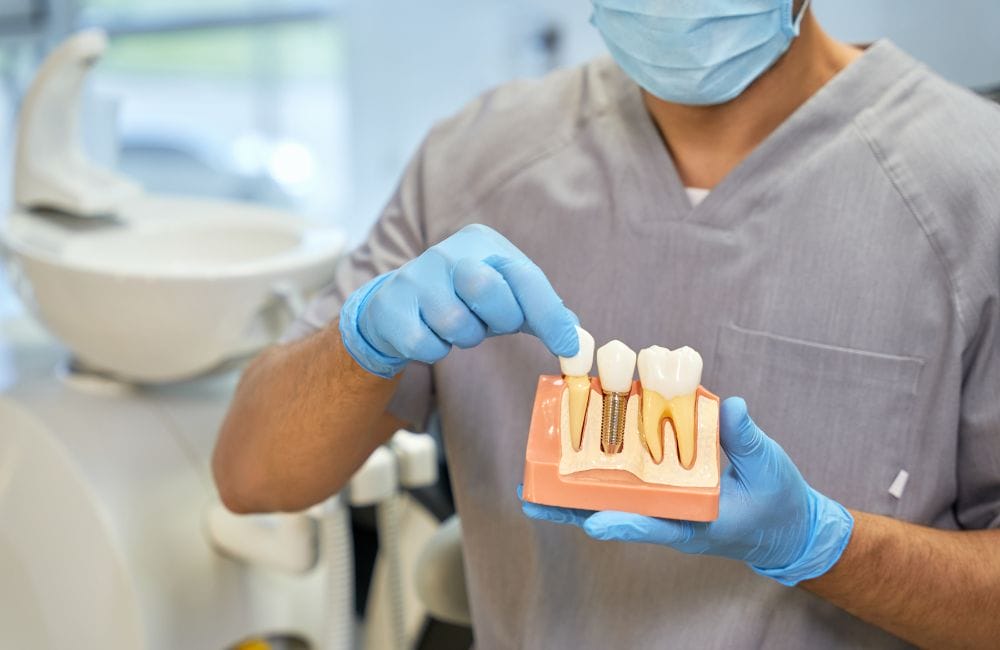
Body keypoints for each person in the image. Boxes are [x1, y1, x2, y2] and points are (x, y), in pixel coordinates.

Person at [213, 0, 1000, 647]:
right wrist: (363, 345)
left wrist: (821, 544)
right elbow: (252, 477)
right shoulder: (474, 161)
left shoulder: (972, 186)